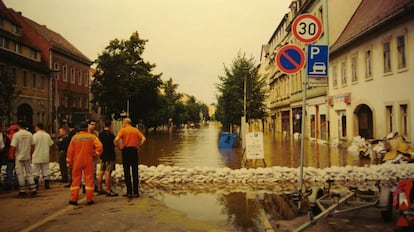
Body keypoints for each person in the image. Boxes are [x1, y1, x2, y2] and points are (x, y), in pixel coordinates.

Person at [66, 121, 103, 205]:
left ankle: (74, 199)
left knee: (76, 180)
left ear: (79, 129)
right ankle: (89, 199)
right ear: (87, 128)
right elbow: (100, 147)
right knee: (89, 179)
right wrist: (95, 154)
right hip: (88, 160)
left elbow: (70, 151)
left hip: (77, 161)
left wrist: (69, 161)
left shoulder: (75, 138)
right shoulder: (92, 137)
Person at [114, 118, 146, 198]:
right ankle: (136, 192)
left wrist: (119, 147)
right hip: (134, 151)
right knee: (135, 171)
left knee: (127, 171)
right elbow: (143, 139)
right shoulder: (135, 130)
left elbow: (116, 140)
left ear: (125, 122)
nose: (123, 124)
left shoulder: (123, 130)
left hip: (126, 151)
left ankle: (129, 192)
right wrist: (139, 146)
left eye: (123, 123)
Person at [10, 121, 37, 197]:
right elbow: (32, 146)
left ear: (18, 126)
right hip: (27, 156)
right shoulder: (29, 134)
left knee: (20, 173)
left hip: (19, 156)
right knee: (29, 172)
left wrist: (11, 155)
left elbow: (13, 147)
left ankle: (22, 191)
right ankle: (33, 188)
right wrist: (30, 154)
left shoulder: (17, 135)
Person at [97, 120, 118, 197]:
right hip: (110, 155)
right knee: (108, 172)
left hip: (102, 155)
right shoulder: (111, 135)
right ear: (110, 126)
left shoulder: (100, 134)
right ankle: (108, 190)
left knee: (101, 171)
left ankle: (100, 188)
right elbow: (115, 143)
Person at [32, 123, 54, 189]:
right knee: (46, 170)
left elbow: (32, 145)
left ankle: (36, 185)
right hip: (45, 155)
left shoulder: (34, 136)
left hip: (36, 155)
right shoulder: (47, 135)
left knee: (36, 171)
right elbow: (51, 144)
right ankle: (46, 184)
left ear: (37, 127)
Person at [3, 125, 18, 190]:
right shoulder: (19, 136)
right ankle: (16, 183)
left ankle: (8, 184)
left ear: (12, 130)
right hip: (18, 155)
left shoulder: (9, 137)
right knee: (17, 170)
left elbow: (7, 146)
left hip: (10, 155)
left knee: (9, 170)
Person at [87, 119, 99, 192]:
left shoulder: (96, 133)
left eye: (94, 125)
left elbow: (98, 144)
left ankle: (95, 185)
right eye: (92, 124)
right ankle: (85, 185)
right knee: (85, 171)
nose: (93, 126)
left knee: (93, 171)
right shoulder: (84, 133)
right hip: (85, 154)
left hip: (93, 154)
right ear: (88, 125)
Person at [65, 122, 77, 188]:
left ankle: (71, 181)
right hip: (78, 153)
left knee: (71, 168)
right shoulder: (77, 133)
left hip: (72, 153)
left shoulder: (70, 134)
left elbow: (69, 145)